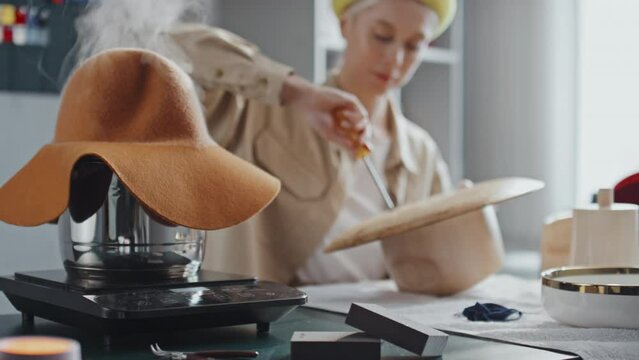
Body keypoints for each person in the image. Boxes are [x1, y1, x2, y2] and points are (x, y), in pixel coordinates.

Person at [167, 0, 503, 292]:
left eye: (414, 45)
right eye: (382, 36)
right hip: (283, 325)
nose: (395, 58)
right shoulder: (268, 116)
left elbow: (438, 269)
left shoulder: (421, 152)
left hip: (383, 326)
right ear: (346, 25)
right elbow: (176, 46)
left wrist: (465, 224)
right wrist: (296, 92)